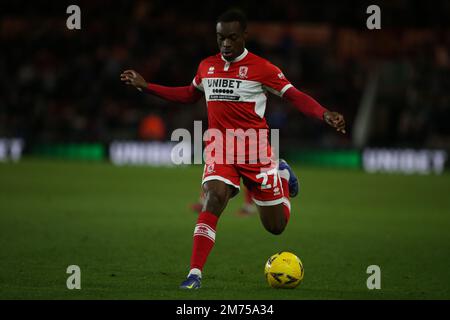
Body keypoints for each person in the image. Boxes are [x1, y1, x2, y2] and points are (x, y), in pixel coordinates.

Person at [120, 9, 345, 289]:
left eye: (232, 37)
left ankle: (282, 175)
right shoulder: (206, 67)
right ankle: (194, 275)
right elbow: (189, 95)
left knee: (276, 227)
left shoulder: (263, 68)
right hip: (220, 149)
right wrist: (147, 86)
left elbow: (295, 96)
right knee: (214, 197)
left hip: (257, 154)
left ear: (244, 37)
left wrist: (324, 114)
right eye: (220, 37)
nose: (225, 43)